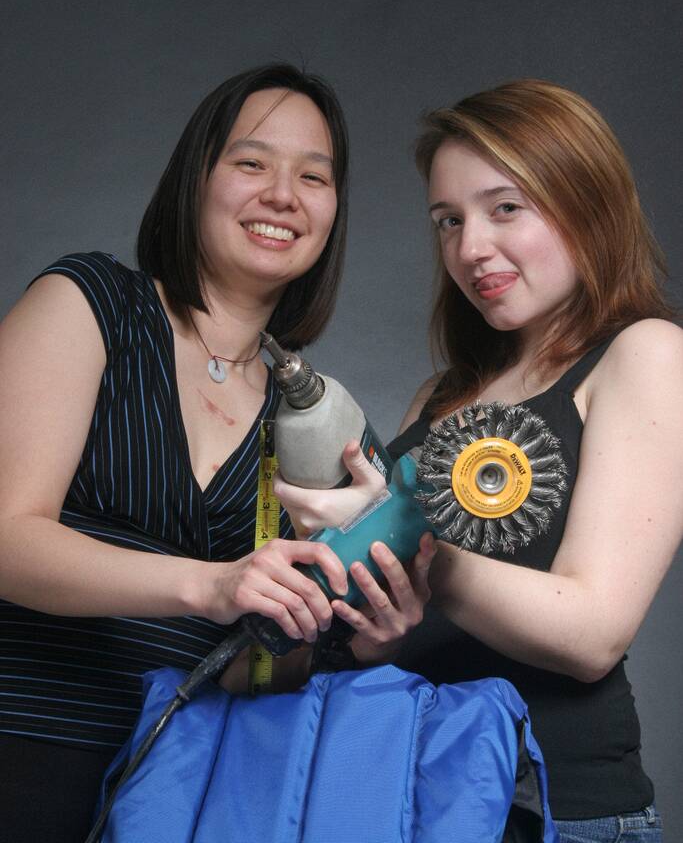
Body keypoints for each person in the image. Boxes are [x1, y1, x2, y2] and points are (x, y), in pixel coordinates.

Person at [0, 63, 433, 842]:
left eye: (313, 177)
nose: (283, 195)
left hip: (170, 796)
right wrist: (210, 585)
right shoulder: (90, 305)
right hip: (20, 746)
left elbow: (254, 679)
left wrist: (350, 631)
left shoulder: (323, 428)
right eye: (251, 162)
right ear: (195, 178)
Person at [276, 79, 683, 842]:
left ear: (586, 201)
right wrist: (374, 628)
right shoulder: (439, 396)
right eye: (448, 220)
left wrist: (405, 539)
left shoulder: (645, 354)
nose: (469, 249)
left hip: (558, 813)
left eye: (504, 208)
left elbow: (592, 633)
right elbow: (405, 638)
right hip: (417, 800)